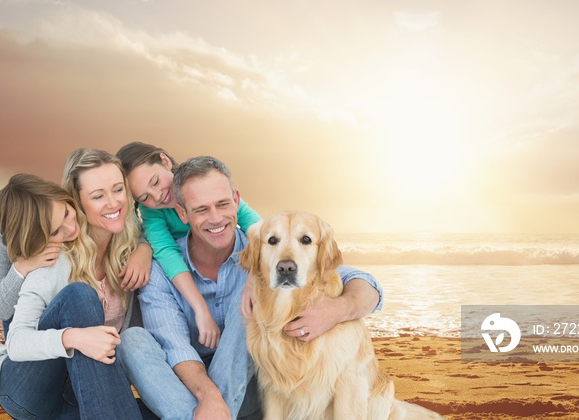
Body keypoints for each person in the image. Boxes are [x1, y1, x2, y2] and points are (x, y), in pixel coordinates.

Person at [116, 156, 383, 420]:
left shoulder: (265, 251)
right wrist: (209, 397)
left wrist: (339, 309)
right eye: (201, 210)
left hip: (245, 391)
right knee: (131, 341)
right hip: (183, 388)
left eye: (223, 204)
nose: (216, 218)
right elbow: (174, 345)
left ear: (236, 200)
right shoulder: (161, 267)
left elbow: (357, 280)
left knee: (246, 309)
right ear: (182, 213)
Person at [0, 150, 149, 419]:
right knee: (80, 296)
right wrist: (22, 266)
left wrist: (145, 248)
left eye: (118, 190)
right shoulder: (50, 256)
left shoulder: (128, 246)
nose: (70, 230)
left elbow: (150, 232)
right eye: (97, 195)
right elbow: (5, 317)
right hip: (29, 386)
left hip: (77, 388)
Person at [116, 142, 260, 348]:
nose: (157, 196)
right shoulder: (153, 212)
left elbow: (260, 231)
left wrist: (255, 280)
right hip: (189, 281)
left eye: (155, 181)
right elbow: (167, 253)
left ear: (165, 161)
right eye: (144, 197)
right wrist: (201, 310)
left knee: (244, 314)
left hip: (228, 274)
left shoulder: (206, 183)